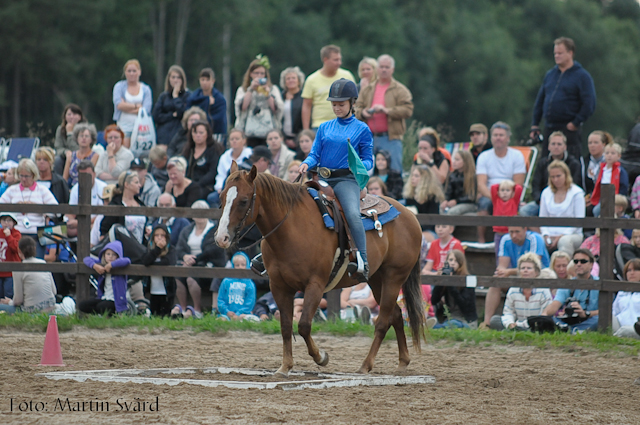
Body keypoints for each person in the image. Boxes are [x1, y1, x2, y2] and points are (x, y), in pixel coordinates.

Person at [299, 78, 373, 281]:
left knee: (351, 213)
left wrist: (358, 165)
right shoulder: (324, 127)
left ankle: (363, 261)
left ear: (352, 103)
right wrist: (306, 162)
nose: (337, 108)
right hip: (321, 178)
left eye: (341, 104)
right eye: (334, 104)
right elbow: (315, 154)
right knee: (294, 202)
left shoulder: (362, 129)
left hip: (346, 180)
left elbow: (369, 161)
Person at [530, 37, 596, 159]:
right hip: (550, 126)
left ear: (570, 53)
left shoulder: (582, 76)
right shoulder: (550, 75)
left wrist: (575, 122)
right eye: (555, 53)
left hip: (569, 128)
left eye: (560, 53)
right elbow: (540, 100)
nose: (556, 56)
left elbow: (589, 103)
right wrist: (535, 124)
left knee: (570, 162)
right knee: (546, 161)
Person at [355, 54, 413, 172]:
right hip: (368, 137)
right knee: (365, 172)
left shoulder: (400, 89)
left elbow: (408, 110)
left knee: (394, 171)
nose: (384, 70)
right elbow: (356, 108)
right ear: (377, 69)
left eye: (387, 67)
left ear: (392, 70)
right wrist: (363, 113)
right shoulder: (368, 89)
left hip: (390, 138)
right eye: (381, 67)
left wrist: (387, 111)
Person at [174, 200, 226, 319]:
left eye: (203, 212)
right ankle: (183, 308)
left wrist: (193, 261)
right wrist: (185, 257)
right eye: (197, 212)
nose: (200, 216)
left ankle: (197, 310)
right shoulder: (187, 230)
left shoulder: (214, 229)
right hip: (189, 263)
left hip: (209, 264)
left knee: (191, 278)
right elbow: (179, 248)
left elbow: (210, 252)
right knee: (178, 276)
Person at [476, 121, 526, 243]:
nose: (498, 138)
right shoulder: (484, 156)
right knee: (483, 206)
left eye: (501, 135)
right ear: (491, 138)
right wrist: (495, 197)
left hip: (510, 193)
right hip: (490, 194)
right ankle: (481, 239)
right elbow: (481, 184)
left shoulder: (517, 155)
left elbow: (518, 183)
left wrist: (507, 197)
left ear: (508, 138)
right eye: (495, 135)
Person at [0, 158, 58, 259]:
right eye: (21, 175)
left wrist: (37, 207)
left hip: (36, 236)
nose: (23, 179)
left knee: (36, 266)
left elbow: (57, 211)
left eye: (27, 176)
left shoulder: (42, 190)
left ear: (33, 175)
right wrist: (14, 208)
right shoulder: (12, 190)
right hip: (16, 235)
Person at [489, 253, 553, 331]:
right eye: (523, 268)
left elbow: (543, 316)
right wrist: (510, 323)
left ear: (536, 272)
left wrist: (521, 325)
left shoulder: (544, 290)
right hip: (516, 324)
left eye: (529, 268)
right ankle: (513, 330)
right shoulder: (513, 290)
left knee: (543, 324)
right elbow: (508, 312)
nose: (525, 270)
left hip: (535, 325)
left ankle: (515, 331)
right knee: (495, 320)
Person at [542, 249, 599, 333]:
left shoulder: (599, 283)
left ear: (591, 264)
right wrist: (544, 315)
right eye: (576, 261)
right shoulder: (568, 284)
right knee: (551, 319)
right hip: (570, 320)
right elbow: (555, 304)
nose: (579, 264)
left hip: (590, 319)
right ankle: (573, 331)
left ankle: (568, 330)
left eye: (583, 261)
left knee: (600, 319)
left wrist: (586, 313)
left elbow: (608, 310)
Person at [301, 45, 356, 130]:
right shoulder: (312, 79)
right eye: (335, 60)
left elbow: (354, 101)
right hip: (320, 125)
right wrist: (306, 130)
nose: (339, 63)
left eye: (340, 59)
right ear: (325, 60)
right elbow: (306, 106)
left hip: (344, 123)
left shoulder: (347, 76)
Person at [234, 55, 284, 147]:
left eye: (262, 73)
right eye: (256, 73)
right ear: (250, 74)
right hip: (249, 131)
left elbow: (276, 109)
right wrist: (251, 89)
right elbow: (243, 107)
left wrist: (268, 94)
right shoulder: (243, 89)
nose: (259, 76)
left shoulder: (273, 89)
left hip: (268, 131)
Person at [539, 160, 585, 256]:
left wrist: (562, 236)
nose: (555, 180)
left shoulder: (577, 193)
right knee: (537, 239)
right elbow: (542, 218)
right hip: (550, 234)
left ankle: (565, 269)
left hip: (572, 234)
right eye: (552, 177)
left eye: (558, 176)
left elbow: (578, 221)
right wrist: (546, 235)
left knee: (564, 242)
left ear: (566, 175)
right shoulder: (546, 193)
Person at [0, 238, 57, 314]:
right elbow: (54, 291)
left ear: (19, 250)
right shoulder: (43, 263)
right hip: (51, 307)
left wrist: (9, 302)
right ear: (35, 249)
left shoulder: (18, 269)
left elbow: (18, 300)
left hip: (32, 310)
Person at [79, 240, 131, 315]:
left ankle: (111, 315)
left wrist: (111, 265)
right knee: (82, 305)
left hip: (115, 300)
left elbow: (127, 260)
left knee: (102, 306)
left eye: (114, 255)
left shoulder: (120, 267)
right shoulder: (101, 263)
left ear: (118, 256)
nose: (110, 256)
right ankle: (103, 315)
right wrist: (95, 266)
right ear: (104, 255)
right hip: (104, 297)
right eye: (108, 254)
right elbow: (86, 259)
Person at [431, 249, 478, 329]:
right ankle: (438, 326)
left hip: (466, 321)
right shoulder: (446, 277)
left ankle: (436, 327)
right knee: (450, 323)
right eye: (450, 260)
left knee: (453, 323)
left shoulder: (469, 278)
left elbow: (464, 305)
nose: (452, 263)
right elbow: (434, 300)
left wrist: (450, 283)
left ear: (461, 263)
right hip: (449, 319)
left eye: (456, 261)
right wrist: (441, 280)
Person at [112, 59, 153, 148]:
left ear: (139, 72)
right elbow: (119, 105)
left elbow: (146, 109)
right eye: (129, 71)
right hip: (124, 124)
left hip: (141, 126)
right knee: (125, 150)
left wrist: (126, 107)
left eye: (134, 71)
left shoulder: (146, 89)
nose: (131, 73)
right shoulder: (119, 86)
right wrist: (136, 106)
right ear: (125, 73)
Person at [100, 170, 146, 245]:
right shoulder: (115, 205)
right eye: (136, 182)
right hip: (121, 248)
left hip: (140, 248)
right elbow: (104, 229)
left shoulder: (141, 204)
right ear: (126, 184)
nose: (139, 185)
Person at [140, 224, 176, 317]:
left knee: (165, 316)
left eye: (162, 235)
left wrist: (152, 264)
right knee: (154, 315)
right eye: (156, 235)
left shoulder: (171, 250)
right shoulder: (149, 249)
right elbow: (145, 261)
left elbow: (168, 262)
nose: (159, 238)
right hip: (152, 290)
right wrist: (157, 249)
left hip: (166, 290)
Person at [403, 164, 444, 242]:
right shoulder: (410, 196)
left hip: (429, 231)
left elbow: (432, 222)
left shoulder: (432, 198)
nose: (412, 178)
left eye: (416, 176)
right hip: (412, 230)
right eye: (412, 175)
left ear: (425, 179)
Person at [182, 120, 224, 199]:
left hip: (206, 186)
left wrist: (196, 184)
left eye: (201, 133)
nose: (198, 135)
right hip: (187, 184)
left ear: (207, 134)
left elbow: (213, 172)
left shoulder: (214, 150)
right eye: (195, 132)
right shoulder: (187, 150)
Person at [67, 160, 107, 238]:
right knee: (66, 229)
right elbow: (71, 212)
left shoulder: (103, 187)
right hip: (80, 223)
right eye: (82, 175)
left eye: (88, 175)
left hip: (97, 223)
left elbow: (103, 215)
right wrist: (72, 221)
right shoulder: (75, 189)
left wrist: (80, 223)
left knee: (95, 227)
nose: (85, 178)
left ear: (94, 174)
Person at [152, 65, 190, 147]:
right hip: (163, 135)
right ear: (169, 79)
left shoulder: (187, 96)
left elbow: (183, 114)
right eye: (173, 77)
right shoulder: (163, 96)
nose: (175, 80)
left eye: (178, 77)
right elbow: (156, 117)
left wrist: (176, 96)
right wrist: (172, 115)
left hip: (179, 136)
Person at [213, 129, 252, 204]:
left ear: (244, 140)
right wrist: (220, 187)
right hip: (226, 188)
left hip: (243, 189)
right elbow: (220, 175)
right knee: (212, 198)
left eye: (237, 139)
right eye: (232, 139)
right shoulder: (224, 156)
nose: (234, 141)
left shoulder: (250, 154)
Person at [217, 252, 259, 322]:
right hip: (226, 314)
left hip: (243, 314)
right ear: (233, 266)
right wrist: (227, 311)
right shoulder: (226, 281)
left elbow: (250, 301)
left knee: (249, 320)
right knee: (221, 320)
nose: (240, 267)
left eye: (243, 265)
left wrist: (238, 314)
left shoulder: (249, 283)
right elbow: (220, 299)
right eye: (237, 265)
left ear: (247, 265)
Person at [186, 68, 227, 139]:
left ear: (213, 81)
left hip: (215, 133)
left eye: (207, 80)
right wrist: (206, 101)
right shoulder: (193, 98)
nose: (205, 82)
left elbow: (219, 118)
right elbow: (188, 112)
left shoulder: (219, 99)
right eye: (203, 79)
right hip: (197, 134)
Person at [591, 142, 629, 217]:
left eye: (613, 153)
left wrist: (619, 200)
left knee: (596, 211)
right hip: (602, 198)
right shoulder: (601, 169)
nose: (609, 155)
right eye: (607, 153)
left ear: (619, 156)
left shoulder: (620, 171)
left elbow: (624, 186)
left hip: (615, 199)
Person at [491, 180, 523, 258]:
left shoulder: (514, 201)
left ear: (512, 192)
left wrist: (511, 185)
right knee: (498, 253)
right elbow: (493, 187)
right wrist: (502, 184)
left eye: (508, 190)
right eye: (502, 190)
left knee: (510, 253)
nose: (505, 193)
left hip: (510, 233)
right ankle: (499, 268)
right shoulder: (496, 200)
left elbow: (519, 188)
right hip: (498, 233)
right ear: (498, 192)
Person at [63, 122, 100, 187]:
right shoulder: (71, 156)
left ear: (91, 139)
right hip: (71, 188)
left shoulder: (95, 156)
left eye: (87, 136)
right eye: (81, 136)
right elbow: (64, 178)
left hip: (87, 188)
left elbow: (89, 175)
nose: (84, 138)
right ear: (77, 138)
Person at [441, 150, 477, 215]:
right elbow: (448, 192)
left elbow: (471, 196)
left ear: (466, 161)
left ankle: (449, 225)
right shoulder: (452, 175)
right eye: (454, 159)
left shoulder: (473, 176)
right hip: (454, 203)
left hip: (469, 204)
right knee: (441, 209)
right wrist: (445, 200)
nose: (454, 162)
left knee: (452, 212)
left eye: (457, 160)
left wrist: (456, 201)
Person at [581, 130, 609, 214]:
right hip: (588, 197)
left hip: (604, 199)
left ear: (604, 144)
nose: (592, 146)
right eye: (590, 143)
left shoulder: (609, 162)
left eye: (596, 143)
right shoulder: (583, 162)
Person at [612, 259, 640, 339]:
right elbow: (614, 311)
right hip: (619, 325)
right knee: (607, 317)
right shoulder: (622, 292)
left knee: (625, 330)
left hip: (636, 328)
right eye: (629, 270)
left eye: (636, 269)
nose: (632, 273)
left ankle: (612, 338)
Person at [279, 66, 305, 147]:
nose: (291, 80)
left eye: (293, 78)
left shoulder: (304, 96)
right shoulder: (280, 97)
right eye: (288, 78)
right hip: (283, 138)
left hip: (300, 137)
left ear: (298, 80)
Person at [0, 213, 20, 301]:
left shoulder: (16, 234)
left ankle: (9, 313)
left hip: (11, 272)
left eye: (9, 220)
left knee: (8, 294)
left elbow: (16, 249)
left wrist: (9, 236)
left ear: (14, 222)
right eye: (4, 220)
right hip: (1, 269)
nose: (6, 223)